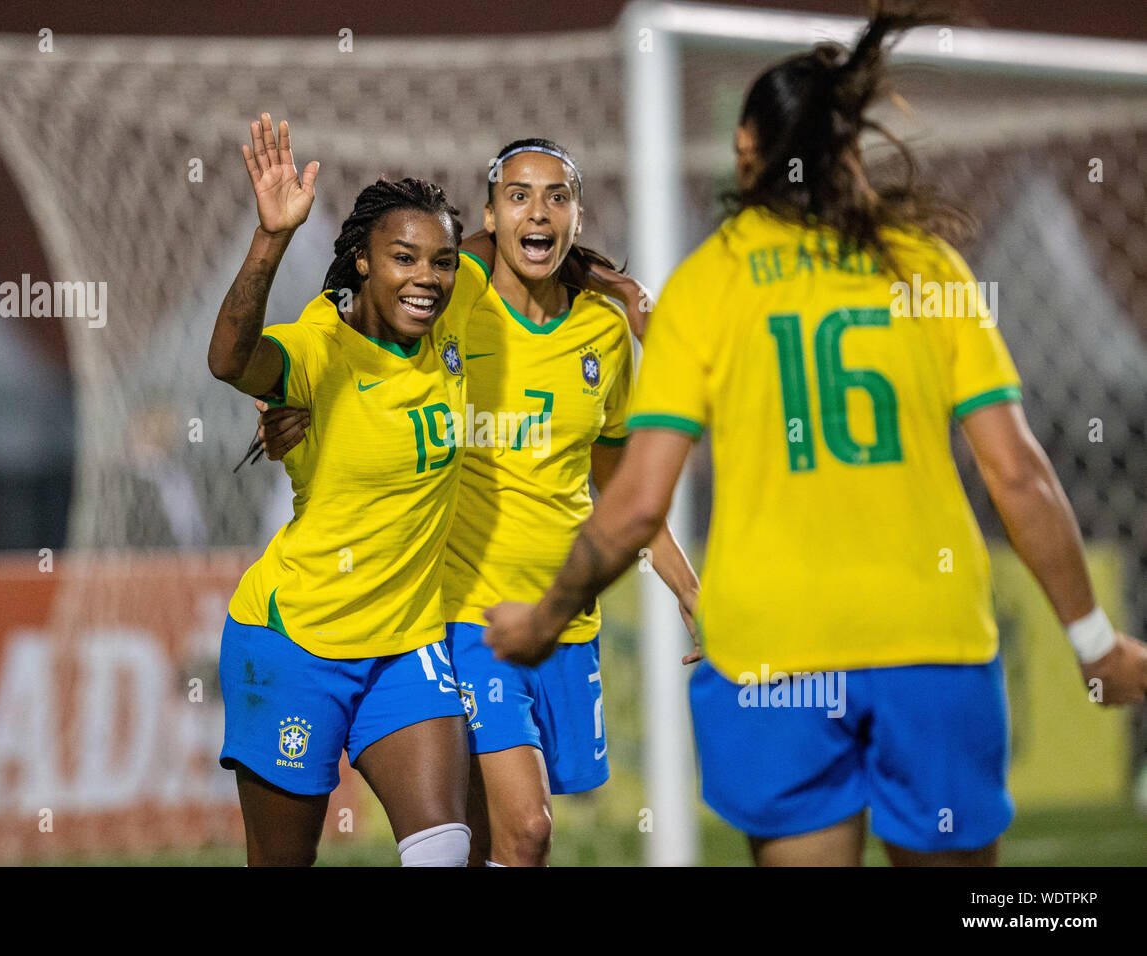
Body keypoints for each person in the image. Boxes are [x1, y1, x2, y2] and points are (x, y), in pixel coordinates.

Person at [482, 7, 1147, 867]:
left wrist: (545, 618)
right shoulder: (925, 267)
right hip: (928, 642)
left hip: (773, 657)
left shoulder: (707, 285)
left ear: (746, 151)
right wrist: (1094, 642)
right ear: (850, 152)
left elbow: (637, 502)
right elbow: (1018, 474)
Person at [254, 139, 701, 866]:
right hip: (466, 617)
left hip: (566, 618)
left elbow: (621, 486)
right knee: (527, 828)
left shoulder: (603, 332)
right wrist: (295, 401)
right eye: (518, 196)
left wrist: (688, 588)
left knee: (497, 842)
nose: (538, 212)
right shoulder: (452, 300)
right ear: (489, 218)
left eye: (557, 197)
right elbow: (353, 326)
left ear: (578, 216)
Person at [209, 114, 487, 866]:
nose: (427, 277)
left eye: (442, 261)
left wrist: (615, 285)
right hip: (297, 642)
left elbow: (512, 240)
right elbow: (229, 360)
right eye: (403, 258)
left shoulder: (454, 303)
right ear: (362, 261)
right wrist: (271, 238)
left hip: (407, 643)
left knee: (444, 849)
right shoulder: (319, 349)